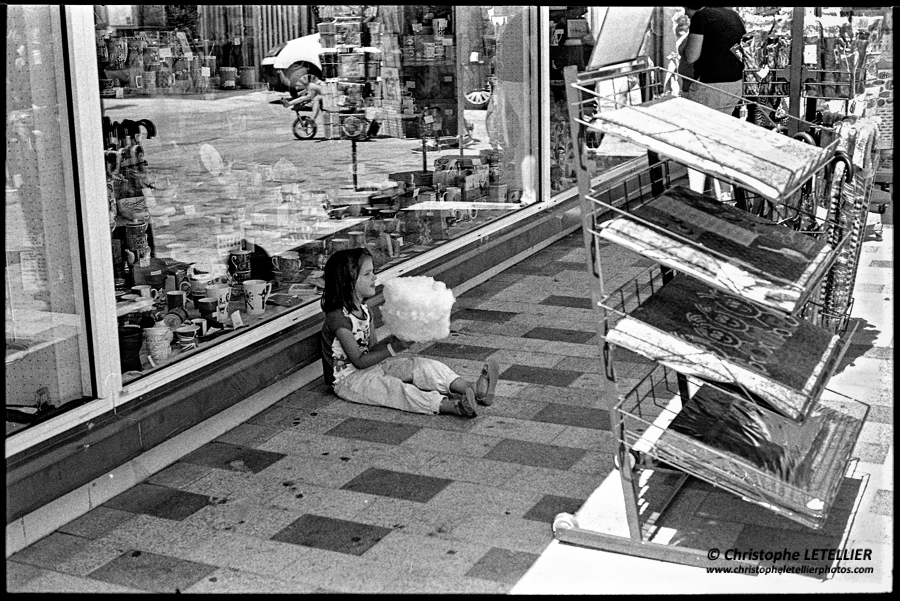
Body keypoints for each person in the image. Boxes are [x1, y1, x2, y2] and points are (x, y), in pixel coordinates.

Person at [320, 248, 499, 418]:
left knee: (421, 365)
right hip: (349, 381)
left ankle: (473, 388)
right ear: (346, 282)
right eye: (367, 274)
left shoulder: (365, 310)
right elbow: (358, 361)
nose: (375, 277)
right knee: (395, 390)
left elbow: (373, 348)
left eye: (373, 272)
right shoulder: (338, 319)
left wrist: (399, 337)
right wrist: (393, 348)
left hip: (372, 368)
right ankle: (451, 406)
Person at [680, 6, 746, 201]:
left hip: (710, 86)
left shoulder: (701, 17)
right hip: (734, 84)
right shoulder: (732, 15)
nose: (685, 13)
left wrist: (684, 46)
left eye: (686, 8)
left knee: (698, 143)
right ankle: (726, 195)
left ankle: (697, 196)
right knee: (720, 140)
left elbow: (691, 55)